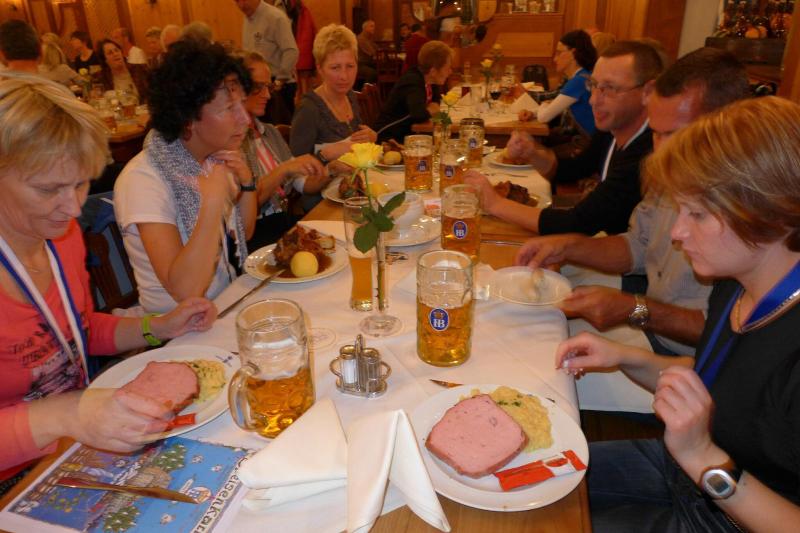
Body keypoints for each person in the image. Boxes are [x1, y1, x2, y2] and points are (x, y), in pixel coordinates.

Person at [560, 95, 800, 532]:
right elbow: (720, 383)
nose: (677, 232)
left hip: (726, 510)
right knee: (531, 483)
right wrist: (624, 356)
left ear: (771, 212)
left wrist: (704, 458)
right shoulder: (735, 281)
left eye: (698, 214)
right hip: (680, 471)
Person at [0, 73, 217, 490]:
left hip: (80, 441)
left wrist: (157, 327)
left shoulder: (60, 236)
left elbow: (74, 333)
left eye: (81, 183)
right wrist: (67, 414)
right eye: (48, 189)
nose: (73, 207)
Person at [516, 48, 749, 357]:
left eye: (675, 134)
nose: (660, 150)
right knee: (523, 322)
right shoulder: (670, 169)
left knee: (533, 348)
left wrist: (635, 309)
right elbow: (638, 245)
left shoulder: (746, 211)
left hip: (681, 358)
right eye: (656, 133)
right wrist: (567, 246)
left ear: (726, 125)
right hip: (650, 326)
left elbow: (730, 335)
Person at [114, 39, 257, 314]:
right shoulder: (143, 180)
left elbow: (244, 233)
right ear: (188, 117)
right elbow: (186, 291)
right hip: (177, 328)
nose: (245, 119)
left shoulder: (213, 158)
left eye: (242, 104)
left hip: (227, 303)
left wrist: (247, 184)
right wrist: (212, 203)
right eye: (229, 109)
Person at [465, 40, 662, 236]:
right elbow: (573, 170)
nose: (593, 100)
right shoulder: (611, 130)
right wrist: (532, 153)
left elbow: (579, 222)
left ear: (648, 92)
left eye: (609, 88)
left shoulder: (648, 153)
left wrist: (495, 204)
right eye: (593, 85)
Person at [238, 50, 327, 248]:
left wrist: (330, 171)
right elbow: (247, 207)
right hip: (256, 236)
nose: (267, 95)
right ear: (236, 89)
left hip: (281, 225)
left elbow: (302, 184)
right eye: (258, 87)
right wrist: (284, 169)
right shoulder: (232, 144)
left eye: (268, 86)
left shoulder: (269, 132)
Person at [291, 24, 377, 161]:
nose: (344, 76)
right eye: (335, 68)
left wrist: (371, 137)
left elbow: (357, 144)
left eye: (350, 66)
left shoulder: (350, 96)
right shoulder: (309, 109)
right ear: (320, 69)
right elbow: (294, 168)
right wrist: (325, 155)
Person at [520, 29, 597, 136]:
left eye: (559, 53)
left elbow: (543, 117)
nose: (555, 59)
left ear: (573, 53)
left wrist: (545, 103)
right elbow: (555, 107)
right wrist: (532, 113)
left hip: (583, 142)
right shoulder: (583, 75)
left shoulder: (578, 81)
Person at [374, 40, 452, 143]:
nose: (450, 72)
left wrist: (431, 109)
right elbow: (418, 115)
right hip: (388, 137)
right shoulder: (413, 81)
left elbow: (436, 100)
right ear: (433, 71)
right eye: (447, 68)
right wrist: (431, 110)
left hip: (407, 134)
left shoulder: (429, 80)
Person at [237, 0, 300, 125]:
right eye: (236, 1)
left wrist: (278, 82)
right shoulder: (247, 19)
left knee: (281, 129)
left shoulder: (275, 17)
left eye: (244, 0)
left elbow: (291, 51)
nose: (241, 6)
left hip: (277, 85)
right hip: (256, 86)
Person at [356, 20, 378, 85]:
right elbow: (373, 53)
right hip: (360, 65)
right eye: (371, 26)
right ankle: (366, 90)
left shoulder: (368, 39)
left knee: (381, 70)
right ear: (365, 28)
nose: (374, 28)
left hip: (368, 63)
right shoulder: (361, 39)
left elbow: (377, 49)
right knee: (373, 73)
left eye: (374, 26)